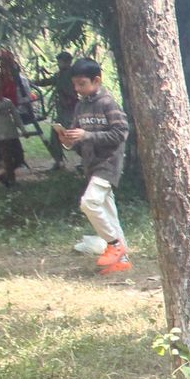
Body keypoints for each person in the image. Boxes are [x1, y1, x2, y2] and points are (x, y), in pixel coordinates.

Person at [56, 58, 131, 274]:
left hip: (108, 163)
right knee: (108, 210)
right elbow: (77, 134)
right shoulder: (81, 105)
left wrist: (87, 135)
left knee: (89, 203)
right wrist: (68, 140)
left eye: (82, 84)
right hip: (91, 164)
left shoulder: (108, 103)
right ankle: (122, 259)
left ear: (96, 80)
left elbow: (121, 132)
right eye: (75, 85)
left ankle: (114, 244)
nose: (78, 89)